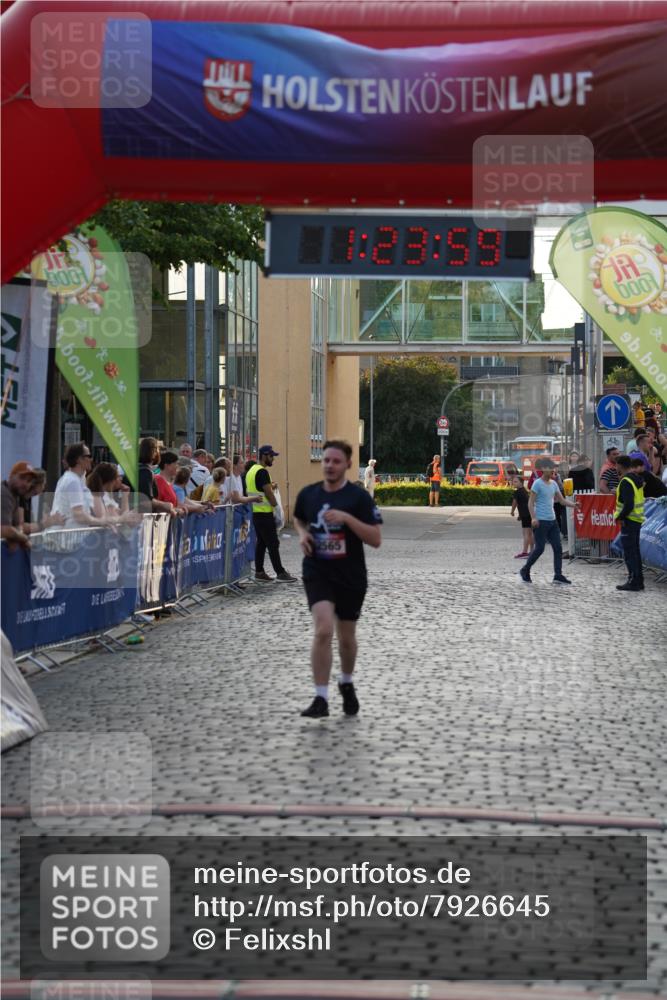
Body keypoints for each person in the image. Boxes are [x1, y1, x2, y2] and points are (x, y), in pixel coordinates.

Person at [293, 439, 383, 719]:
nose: (330, 466)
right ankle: (320, 697)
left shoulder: (358, 499)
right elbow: (299, 519)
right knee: (322, 630)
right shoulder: (309, 494)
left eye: (336, 461)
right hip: (317, 571)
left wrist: (347, 518)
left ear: (347, 465)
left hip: (350, 574)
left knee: (346, 637)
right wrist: (303, 534)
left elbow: (376, 539)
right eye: (326, 461)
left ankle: (346, 681)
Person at [519, 462, 578, 585]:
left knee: (558, 548)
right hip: (540, 521)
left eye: (553, 468)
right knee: (539, 548)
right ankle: (525, 569)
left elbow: (561, 501)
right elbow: (530, 503)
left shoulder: (554, 484)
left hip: (552, 521)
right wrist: (533, 518)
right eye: (550, 468)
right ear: (543, 469)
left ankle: (558, 575)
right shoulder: (537, 484)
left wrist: (574, 505)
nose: (553, 470)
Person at [245, 445, 297, 583]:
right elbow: (267, 492)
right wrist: (276, 507)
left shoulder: (252, 471)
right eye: (271, 456)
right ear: (264, 456)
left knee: (262, 543)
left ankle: (259, 571)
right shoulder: (262, 472)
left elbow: (258, 488)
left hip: (256, 512)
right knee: (273, 543)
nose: (273, 459)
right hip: (265, 513)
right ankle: (280, 572)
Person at [51, 443, 108, 528]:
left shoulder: (71, 479)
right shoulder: (73, 481)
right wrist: (100, 522)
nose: (91, 459)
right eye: (89, 456)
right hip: (71, 539)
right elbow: (79, 515)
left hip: (72, 537)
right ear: (79, 459)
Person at [614, 455, 646, 592]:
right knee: (635, 552)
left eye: (616, 465)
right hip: (636, 520)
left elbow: (629, 504)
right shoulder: (635, 479)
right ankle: (638, 580)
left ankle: (634, 581)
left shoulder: (626, 481)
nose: (615, 468)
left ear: (620, 466)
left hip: (629, 520)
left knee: (630, 553)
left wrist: (620, 517)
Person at [1, 461, 36, 548]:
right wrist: (24, 539)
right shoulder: (4, 494)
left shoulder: (15, 495)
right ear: (11, 476)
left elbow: (18, 526)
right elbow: (4, 530)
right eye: (22, 478)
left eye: (29, 481)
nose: (26, 484)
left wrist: (17, 536)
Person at [510, 474, 533, 558]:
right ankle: (532, 550)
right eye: (513, 481)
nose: (514, 483)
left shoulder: (517, 492)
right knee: (530, 533)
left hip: (525, 514)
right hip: (528, 514)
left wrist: (512, 511)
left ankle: (525, 552)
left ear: (521, 483)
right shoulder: (524, 491)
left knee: (526, 533)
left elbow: (515, 502)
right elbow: (524, 503)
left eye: (516, 481)